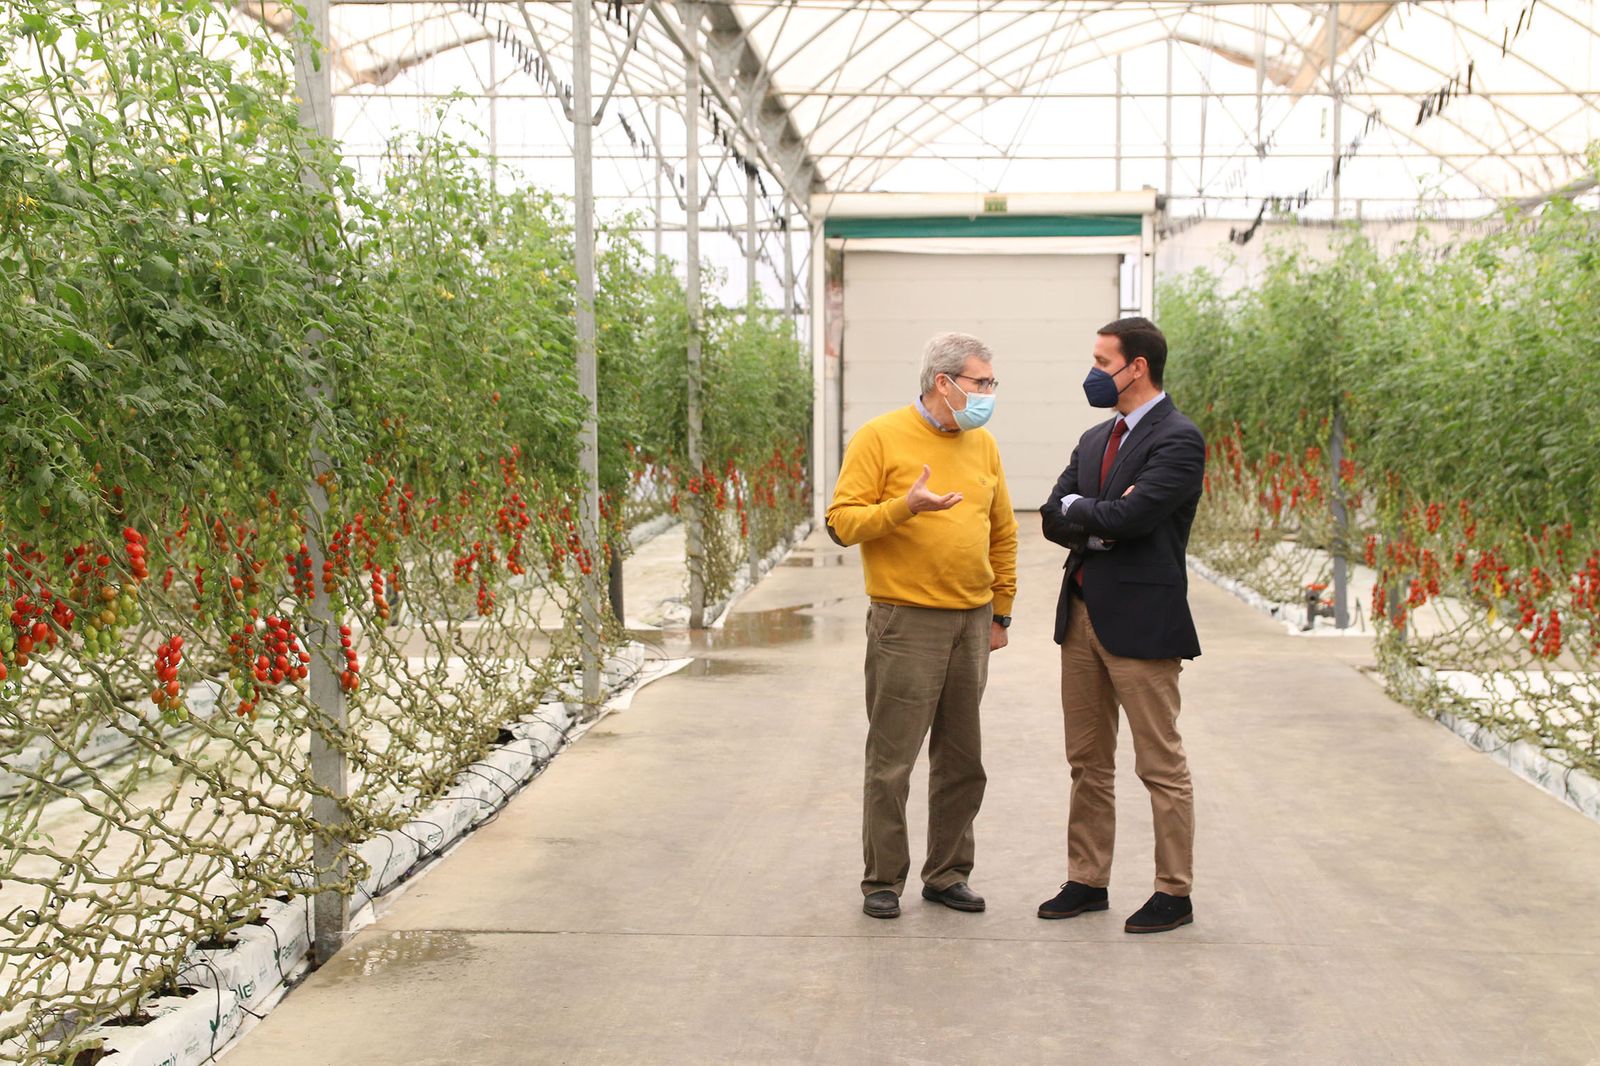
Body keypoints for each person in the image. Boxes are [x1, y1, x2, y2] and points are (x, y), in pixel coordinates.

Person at [826, 332, 1018, 920]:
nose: (989, 394)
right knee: (893, 759)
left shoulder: (982, 444)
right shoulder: (879, 437)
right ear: (946, 383)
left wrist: (1001, 609)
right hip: (905, 622)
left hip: (972, 619)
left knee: (963, 758)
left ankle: (948, 873)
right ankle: (882, 880)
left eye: (990, 384)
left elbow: (1002, 531)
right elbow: (840, 523)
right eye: (982, 382)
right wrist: (904, 507)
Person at [1037, 316, 1205, 934]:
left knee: (1159, 764)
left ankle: (1173, 891)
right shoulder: (1092, 440)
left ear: (1137, 367)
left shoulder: (1178, 439)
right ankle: (1088, 879)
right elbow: (1053, 515)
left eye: (1103, 363)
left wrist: (1097, 513)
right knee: (1087, 760)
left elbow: (1135, 517)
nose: (1094, 373)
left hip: (1141, 622)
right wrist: (1095, 515)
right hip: (1082, 615)